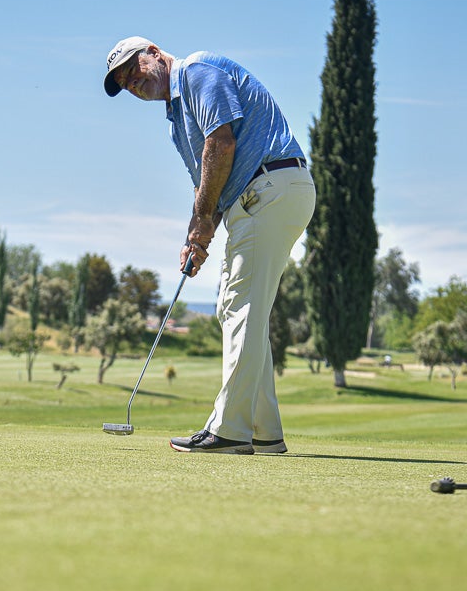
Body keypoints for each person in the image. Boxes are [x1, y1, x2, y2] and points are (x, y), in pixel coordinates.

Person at [104, 37, 316, 454]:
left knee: (241, 305)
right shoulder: (175, 120)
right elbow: (210, 186)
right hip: (256, 195)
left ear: (153, 51)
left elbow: (222, 144)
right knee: (236, 308)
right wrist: (197, 236)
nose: (132, 82)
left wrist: (202, 222)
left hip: (269, 185)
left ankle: (230, 430)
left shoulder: (197, 72)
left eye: (133, 68)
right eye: (124, 82)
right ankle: (262, 430)